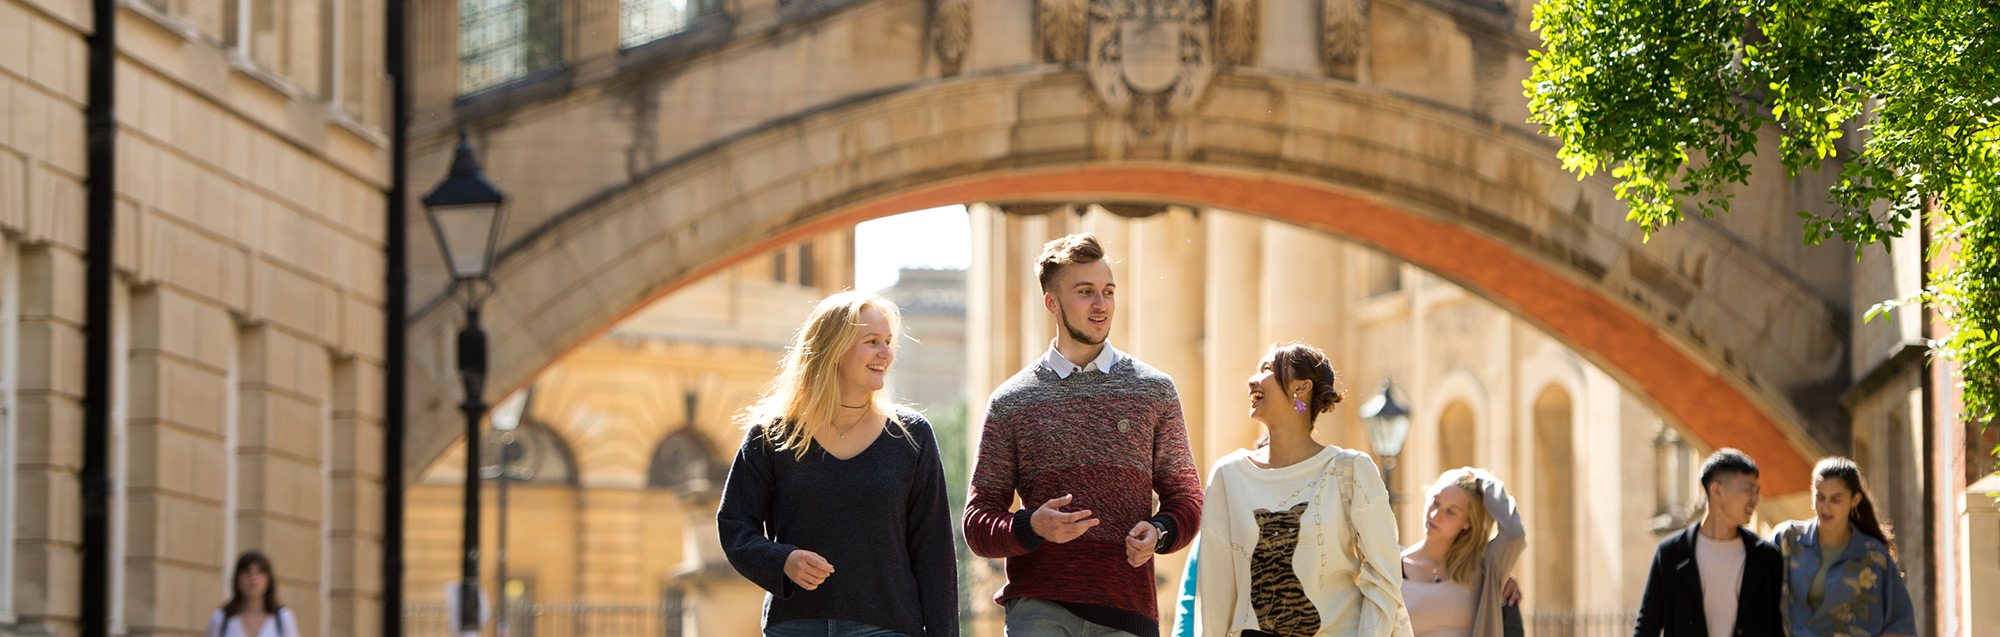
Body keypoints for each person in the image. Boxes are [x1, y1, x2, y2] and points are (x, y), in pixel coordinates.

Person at [963, 233, 1203, 637]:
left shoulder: (1153, 389)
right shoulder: (1011, 401)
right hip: (1038, 607)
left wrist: (1160, 532)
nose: (1101, 304)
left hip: (1127, 610)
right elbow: (977, 521)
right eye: (1085, 292)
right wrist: (1032, 527)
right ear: (1051, 303)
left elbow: (1187, 497)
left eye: (1108, 291)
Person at [716, 291, 959, 637]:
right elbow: (734, 525)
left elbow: (935, 555)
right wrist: (781, 560)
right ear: (834, 349)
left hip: (887, 629)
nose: (886, 354)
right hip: (796, 627)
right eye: (872, 341)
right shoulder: (771, 435)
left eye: (889, 342)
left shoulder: (912, 437)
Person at [1196, 343, 1412, 637]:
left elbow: (1385, 579)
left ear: (1301, 387)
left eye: (1267, 370)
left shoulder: (1350, 469)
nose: (1252, 379)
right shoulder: (1228, 474)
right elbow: (1215, 587)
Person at [1632, 448, 1783, 637]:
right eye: (1747, 490)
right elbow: (1647, 626)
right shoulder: (1671, 553)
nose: (1755, 500)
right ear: (1717, 490)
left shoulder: (1766, 557)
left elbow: (1775, 629)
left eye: (1757, 492)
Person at [1768, 457, 1915, 636]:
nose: (1825, 508)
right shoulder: (1787, 540)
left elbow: (1901, 623)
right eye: (1820, 497)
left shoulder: (1874, 555)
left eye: (1836, 500)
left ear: (1855, 499)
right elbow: (1758, 600)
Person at [1400, 468, 1525, 637]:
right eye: (1435, 502)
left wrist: (1482, 478)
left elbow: (1514, 534)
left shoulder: (1483, 567)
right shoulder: (1393, 568)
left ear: (1467, 522)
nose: (1435, 515)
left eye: (1451, 511)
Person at [206, 550, 299, 637]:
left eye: (260, 572)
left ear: (268, 579)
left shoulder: (282, 619)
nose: (253, 578)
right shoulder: (221, 619)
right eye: (246, 572)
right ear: (237, 579)